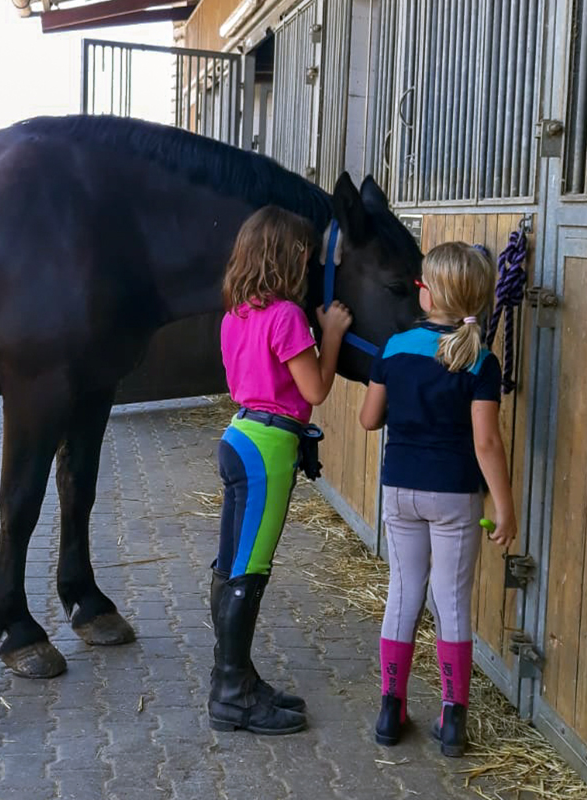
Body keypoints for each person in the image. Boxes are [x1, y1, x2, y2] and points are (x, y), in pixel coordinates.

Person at [359, 241, 517, 758]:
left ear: (428, 295)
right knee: (450, 601)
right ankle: (452, 719)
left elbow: (367, 419)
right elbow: (486, 442)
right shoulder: (481, 359)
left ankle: (390, 708)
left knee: (403, 591)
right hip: (453, 494)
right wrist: (504, 504)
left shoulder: (396, 346)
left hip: (399, 489)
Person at [210, 206, 353, 735]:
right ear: (290, 256)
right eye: (306, 255)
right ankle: (230, 695)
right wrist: (331, 333)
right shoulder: (288, 317)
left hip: (239, 434)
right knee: (250, 570)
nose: (310, 265)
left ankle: (237, 677)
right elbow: (314, 390)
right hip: (268, 448)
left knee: (231, 564)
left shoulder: (234, 316)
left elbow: (239, 383)